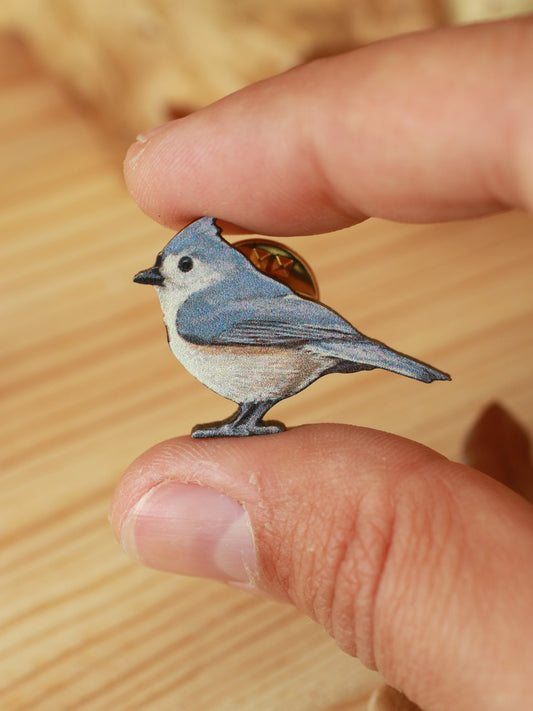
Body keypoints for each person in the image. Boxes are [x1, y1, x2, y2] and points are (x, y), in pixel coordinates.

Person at [111, 16, 533, 711]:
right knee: (252, 405)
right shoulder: (194, 307)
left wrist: (342, 344)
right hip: (306, 344)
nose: (165, 276)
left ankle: (248, 420)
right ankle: (246, 420)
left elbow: (287, 331)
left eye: (177, 266)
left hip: (302, 344)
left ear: (205, 271)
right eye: (168, 266)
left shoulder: (198, 314)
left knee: (257, 395)